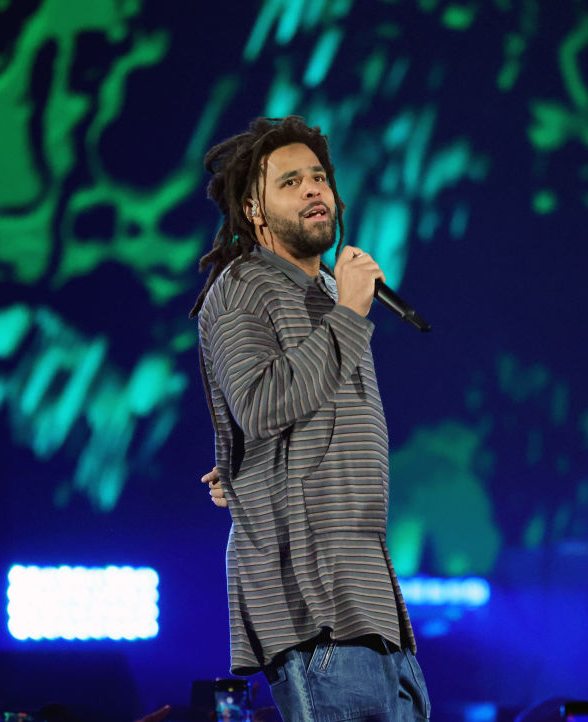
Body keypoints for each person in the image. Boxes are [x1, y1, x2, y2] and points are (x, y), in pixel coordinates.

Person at [190, 116, 431, 722]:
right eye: (290, 181)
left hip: (368, 593)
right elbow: (263, 403)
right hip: (310, 597)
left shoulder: (328, 292)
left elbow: (297, 422)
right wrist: (351, 310)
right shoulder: (241, 288)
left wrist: (244, 469)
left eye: (319, 176)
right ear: (253, 209)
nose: (313, 190)